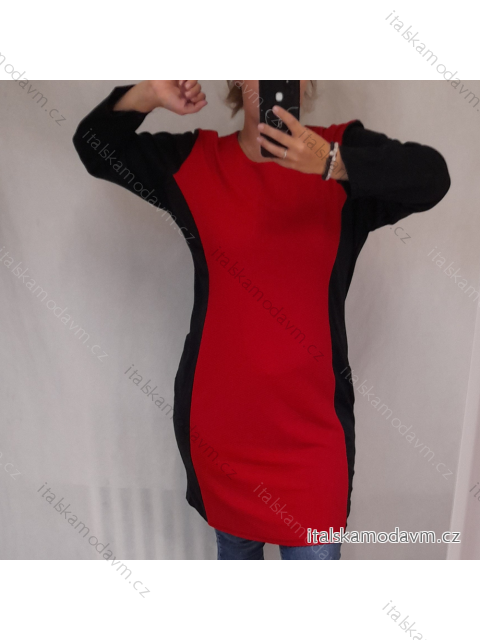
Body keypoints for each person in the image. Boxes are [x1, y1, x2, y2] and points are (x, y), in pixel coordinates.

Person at [73, 80, 451, 560]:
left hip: (312, 443)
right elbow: (94, 148)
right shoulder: (195, 161)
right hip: (223, 440)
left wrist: (331, 162)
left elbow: (432, 177)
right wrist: (148, 93)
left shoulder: (341, 152)